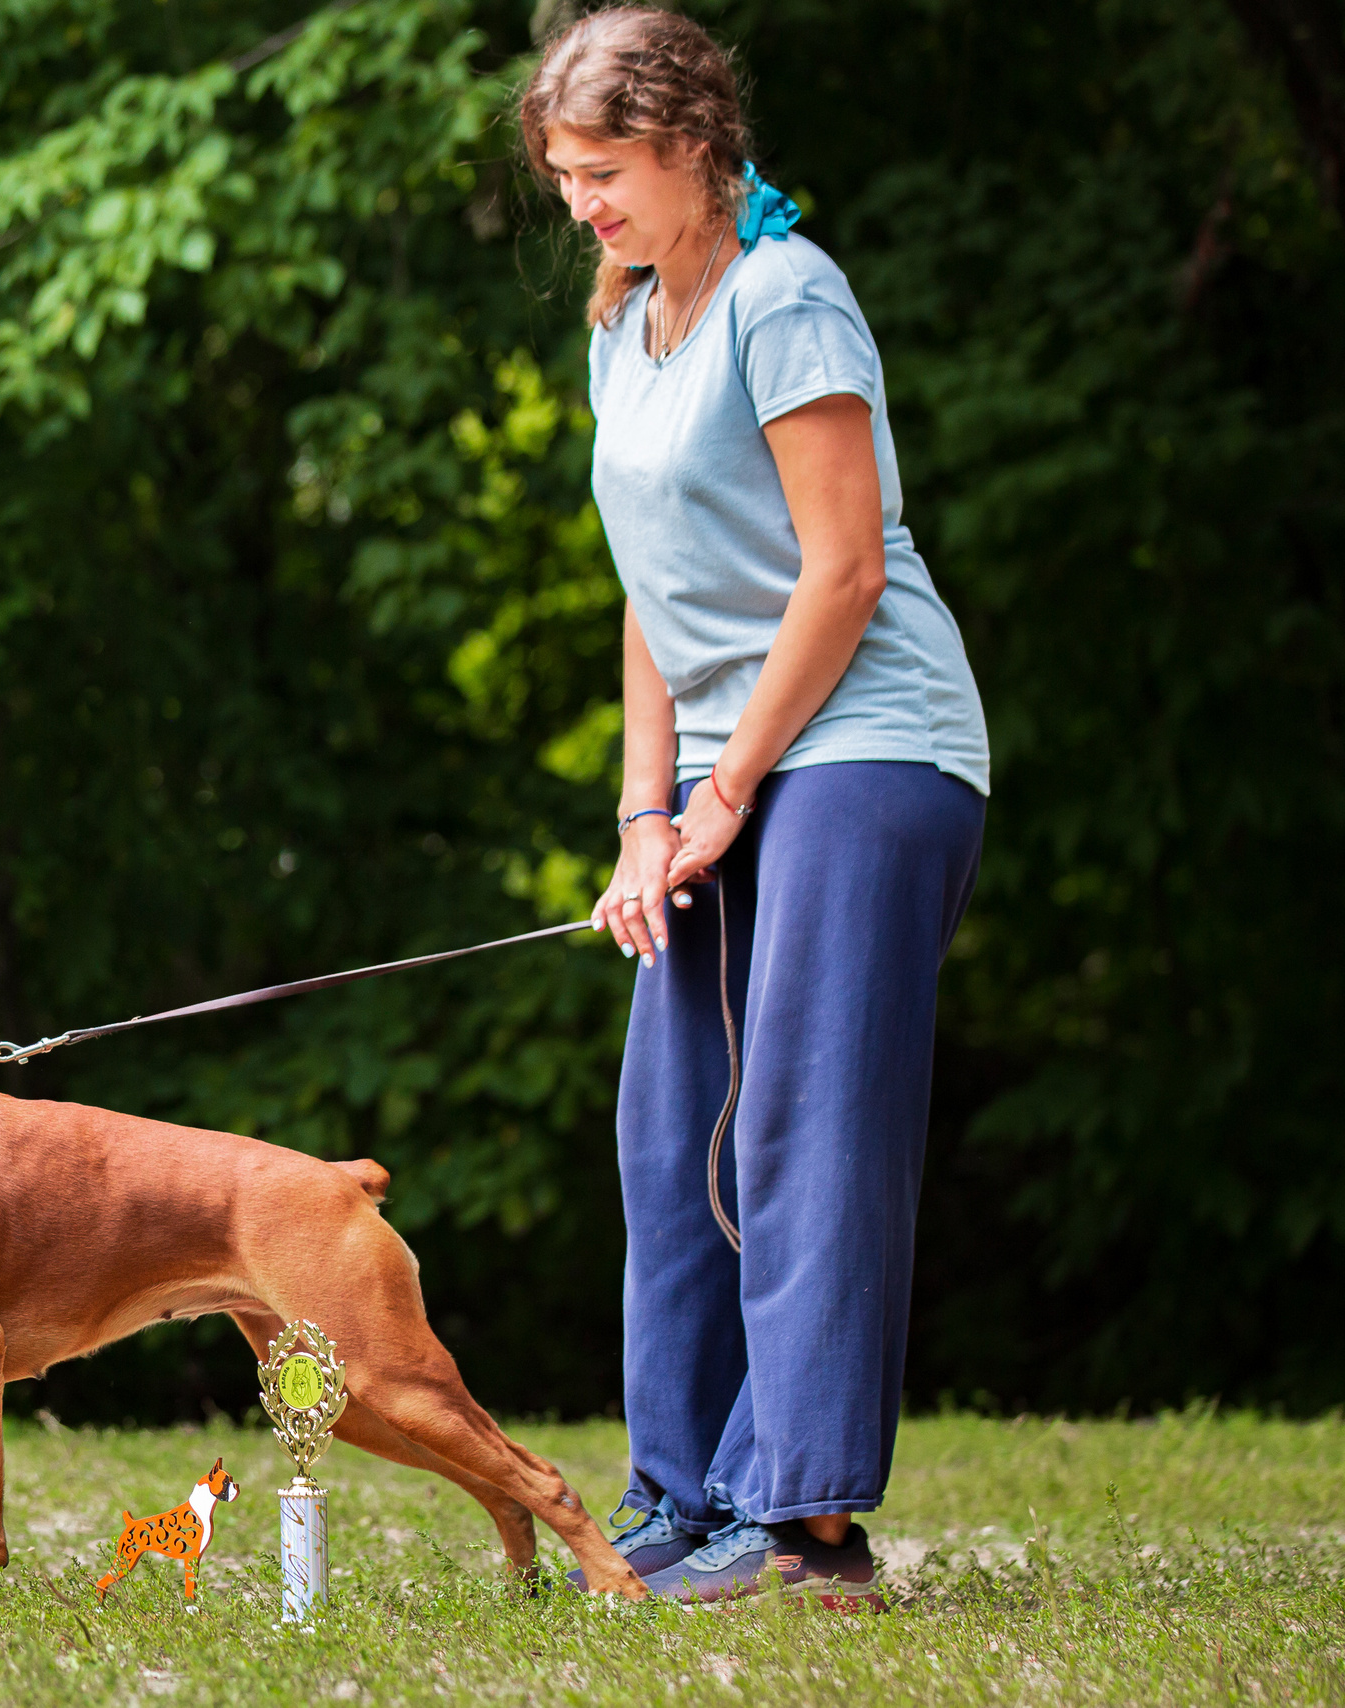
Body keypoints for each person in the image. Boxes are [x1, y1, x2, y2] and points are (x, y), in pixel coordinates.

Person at [518, 7, 991, 1605]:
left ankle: (804, 1526)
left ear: (692, 145)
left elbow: (844, 574)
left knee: (802, 1119)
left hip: (868, 743)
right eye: (565, 175)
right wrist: (645, 817)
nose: (582, 202)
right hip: (719, 770)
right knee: (670, 1130)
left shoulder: (787, 297)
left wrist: (726, 791)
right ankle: (683, 1494)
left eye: (604, 170)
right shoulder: (626, 324)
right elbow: (651, 592)